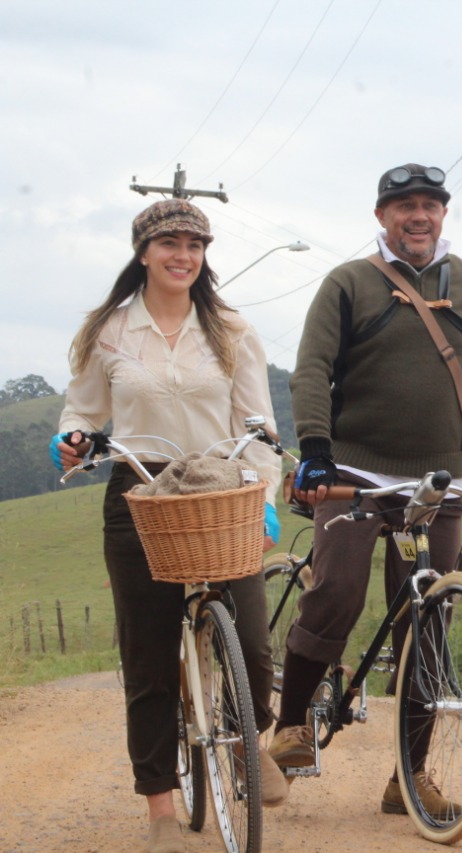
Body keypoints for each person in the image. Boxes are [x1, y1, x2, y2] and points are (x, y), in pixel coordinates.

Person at [271, 163, 462, 818]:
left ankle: (410, 777)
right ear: (381, 216)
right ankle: (290, 728)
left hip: (439, 473)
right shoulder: (349, 282)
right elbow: (311, 368)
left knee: (430, 612)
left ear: (443, 215)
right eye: (404, 206)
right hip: (354, 469)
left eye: (430, 205)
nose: (418, 216)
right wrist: (313, 448)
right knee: (336, 588)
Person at [50, 199, 288, 853]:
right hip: (141, 490)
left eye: (194, 244)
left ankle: (248, 739)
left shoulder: (232, 330)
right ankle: (161, 810)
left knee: (254, 642)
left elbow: (261, 424)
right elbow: (83, 408)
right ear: (143, 251)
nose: (183, 256)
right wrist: (69, 441)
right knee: (148, 658)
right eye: (169, 244)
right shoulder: (111, 331)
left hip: (220, 488)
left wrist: (264, 495)